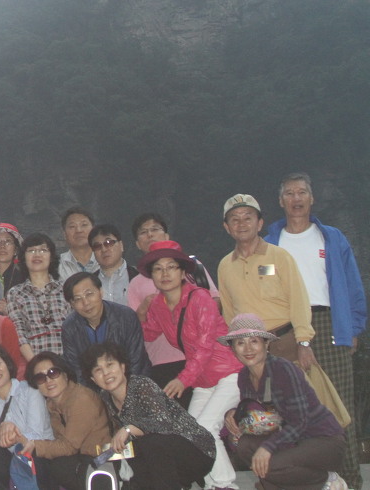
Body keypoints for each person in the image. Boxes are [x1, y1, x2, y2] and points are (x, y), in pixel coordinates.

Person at [265, 172, 367, 489]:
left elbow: (352, 284)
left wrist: (353, 327)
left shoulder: (331, 238)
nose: (296, 199)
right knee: (290, 407)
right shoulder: (270, 243)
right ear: (280, 201)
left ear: (312, 199)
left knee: (340, 406)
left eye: (302, 192)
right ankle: (306, 479)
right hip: (286, 329)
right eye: (290, 193)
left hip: (328, 323)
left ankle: (349, 480)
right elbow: (264, 285)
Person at [135, 239, 240, 490]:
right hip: (203, 380)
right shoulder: (158, 305)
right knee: (190, 433)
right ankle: (214, 484)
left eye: (171, 267)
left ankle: (224, 484)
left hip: (228, 373)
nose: (165, 274)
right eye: (158, 269)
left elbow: (205, 347)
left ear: (183, 272)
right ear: (152, 276)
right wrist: (136, 317)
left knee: (206, 428)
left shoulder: (200, 298)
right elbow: (148, 333)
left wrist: (183, 379)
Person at [219, 314, 346, 490]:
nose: (248, 349)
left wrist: (267, 448)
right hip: (288, 439)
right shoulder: (244, 377)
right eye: (240, 343)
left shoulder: (283, 369)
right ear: (233, 349)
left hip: (321, 440)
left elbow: (300, 421)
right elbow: (256, 414)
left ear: (266, 344)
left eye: (254, 341)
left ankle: (326, 480)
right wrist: (233, 414)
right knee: (245, 446)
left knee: (270, 464)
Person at [84, 341, 215, 490]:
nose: (106, 373)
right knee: (132, 450)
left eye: (110, 365)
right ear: (93, 379)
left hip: (197, 450)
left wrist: (128, 429)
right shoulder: (105, 398)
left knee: (150, 442)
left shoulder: (141, 385)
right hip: (161, 460)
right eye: (98, 370)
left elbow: (162, 423)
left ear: (122, 366)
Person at [126, 212, 221, 400]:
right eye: (143, 232)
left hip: (201, 356)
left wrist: (195, 325)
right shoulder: (135, 284)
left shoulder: (192, 268)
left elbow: (215, 302)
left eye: (155, 229)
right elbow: (141, 331)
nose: (150, 234)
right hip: (160, 361)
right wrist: (144, 309)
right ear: (137, 244)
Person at [218, 195, 314, 366]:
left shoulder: (279, 256)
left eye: (248, 218)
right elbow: (229, 313)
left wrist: (304, 342)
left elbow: (298, 300)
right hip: (249, 350)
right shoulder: (225, 266)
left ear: (259, 223)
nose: (241, 224)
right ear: (227, 227)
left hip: (285, 343)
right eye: (235, 219)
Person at [24, 351, 111, 490]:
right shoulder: (52, 405)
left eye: (53, 373)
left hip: (101, 459)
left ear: (65, 374)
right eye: (40, 378)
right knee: (43, 463)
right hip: (80, 460)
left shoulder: (81, 399)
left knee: (59, 466)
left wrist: (34, 445)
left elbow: (68, 446)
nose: (48, 381)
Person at [0, 344, 52, 490]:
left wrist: (15, 435)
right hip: (9, 457)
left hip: (37, 454)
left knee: (34, 454)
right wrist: (1, 430)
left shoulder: (30, 389)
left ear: (7, 364)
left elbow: (37, 434)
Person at [60, 271, 150, 381]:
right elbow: (76, 371)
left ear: (101, 292)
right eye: (78, 299)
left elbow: (136, 361)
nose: (86, 303)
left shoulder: (126, 317)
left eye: (89, 294)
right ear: (72, 304)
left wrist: (125, 389)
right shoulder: (70, 327)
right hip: (92, 387)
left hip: (133, 383)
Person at [7, 233, 72, 362]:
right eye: (31, 250)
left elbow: (76, 328)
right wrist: (36, 365)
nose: (37, 254)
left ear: (51, 257)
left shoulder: (66, 288)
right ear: (23, 258)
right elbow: (19, 333)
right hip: (35, 361)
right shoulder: (15, 293)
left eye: (43, 250)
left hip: (68, 360)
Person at [88, 224, 136, 306]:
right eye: (97, 246)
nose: (104, 249)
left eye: (108, 243)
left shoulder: (138, 276)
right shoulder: (89, 283)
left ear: (121, 245)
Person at [57, 207, 98, 282]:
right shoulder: (57, 265)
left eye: (84, 225)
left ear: (93, 229)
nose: (79, 230)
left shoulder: (106, 259)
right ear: (64, 234)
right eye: (72, 226)